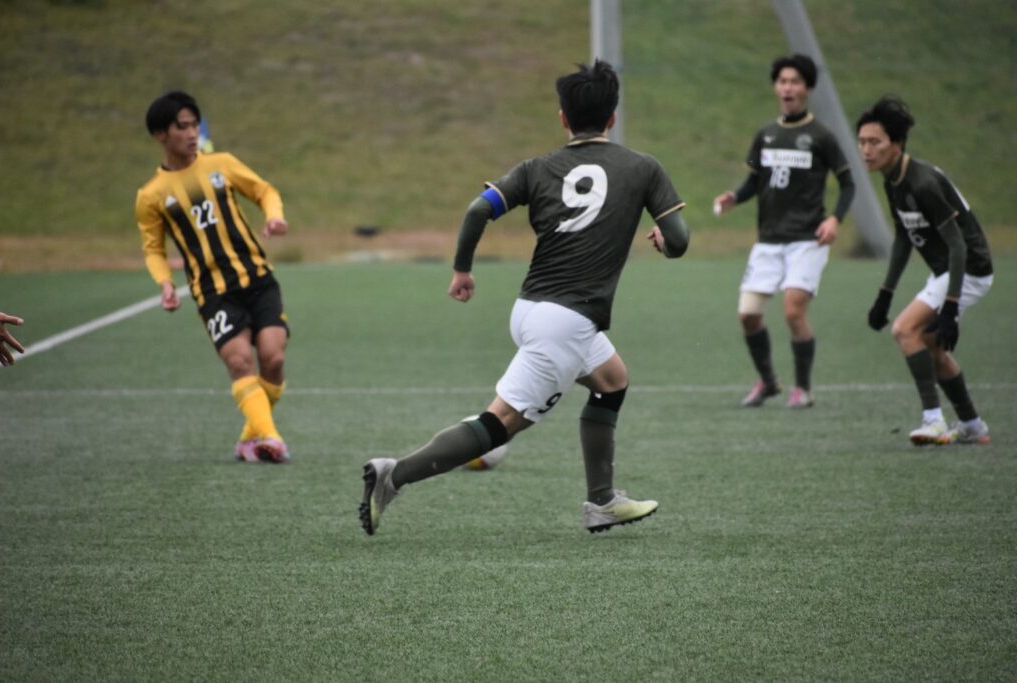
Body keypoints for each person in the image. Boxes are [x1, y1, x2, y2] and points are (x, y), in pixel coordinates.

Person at [359, 60, 690, 536]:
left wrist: (462, 269)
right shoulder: (643, 167)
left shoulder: (537, 168)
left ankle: (602, 501)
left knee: (611, 380)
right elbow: (679, 239)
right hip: (567, 321)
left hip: (534, 308)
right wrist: (663, 241)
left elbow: (477, 210)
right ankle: (393, 476)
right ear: (613, 117)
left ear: (563, 118)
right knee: (502, 423)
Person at [136, 91, 292, 463]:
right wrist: (165, 283)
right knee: (240, 362)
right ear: (161, 134)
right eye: (182, 127)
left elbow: (264, 190)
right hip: (213, 292)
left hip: (257, 277)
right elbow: (154, 248)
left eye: (195, 125)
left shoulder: (222, 164)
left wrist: (274, 216)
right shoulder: (151, 195)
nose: (192, 133)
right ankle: (271, 437)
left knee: (272, 359)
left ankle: (250, 436)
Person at [713, 54, 855, 409]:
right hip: (769, 240)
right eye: (782, 81)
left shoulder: (821, 136)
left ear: (807, 88)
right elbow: (754, 181)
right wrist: (735, 197)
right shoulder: (766, 135)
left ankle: (803, 389)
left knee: (793, 310)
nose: (788, 88)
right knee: (748, 315)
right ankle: (769, 382)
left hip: (808, 240)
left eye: (795, 82)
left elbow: (848, 183)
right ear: (776, 87)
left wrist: (835, 219)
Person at [857, 96, 993, 446]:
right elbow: (905, 236)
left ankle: (933, 420)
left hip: (969, 267)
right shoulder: (892, 179)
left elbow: (959, 246)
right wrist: (885, 294)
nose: (866, 150)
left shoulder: (922, 183)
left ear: (897, 144)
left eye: (875, 142)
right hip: (948, 269)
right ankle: (972, 425)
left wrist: (951, 306)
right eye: (862, 142)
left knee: (905, 330)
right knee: (931, 345)